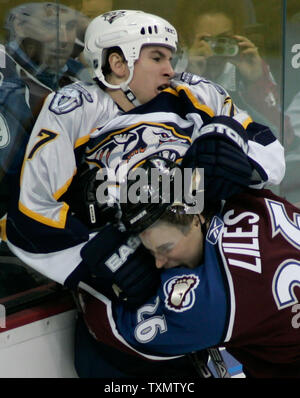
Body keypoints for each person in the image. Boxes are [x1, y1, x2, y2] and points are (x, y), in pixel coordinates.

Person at [5, 10, 285, 377]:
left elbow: (267, 148)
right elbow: (32, 215)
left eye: (170, 57)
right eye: (157, 57)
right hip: (132, 289)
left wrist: (234, 162)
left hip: (211, 263)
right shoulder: (74, 109)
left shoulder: (195, 93)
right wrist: (98, 263)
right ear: (118, 62)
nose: (170, 68)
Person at [76, 156, 300, 378]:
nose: (158, 262)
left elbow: (112, 329)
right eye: (151, 251)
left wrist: (89, 277)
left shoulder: (211, 303)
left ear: (195, 218)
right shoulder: (244, 198)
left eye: (165, 248)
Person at [0, 2, 88, 295]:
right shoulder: (7, 86)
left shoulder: (80, 78)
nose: (64, 38)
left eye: (70, 26)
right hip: (18, 250)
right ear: (20, 26)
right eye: (52, 26)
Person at [174, 0, 296, 149]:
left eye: (223, 39)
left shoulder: (247, 67)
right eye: (206, 41)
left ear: (237, 37)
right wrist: (189, 77)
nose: (214, 49)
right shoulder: (173, 68)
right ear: (188, 39)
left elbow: (285, 135)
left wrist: (256, 81)